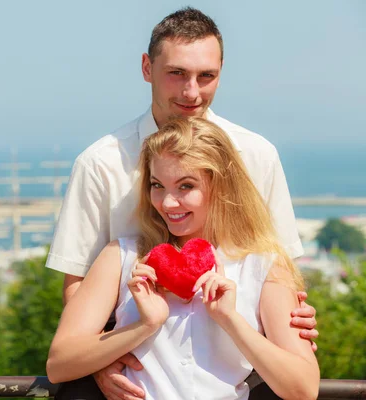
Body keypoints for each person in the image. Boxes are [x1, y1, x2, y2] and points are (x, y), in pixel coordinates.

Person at [46, 7, 319, 400]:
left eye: (206, 76)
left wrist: (286, 321)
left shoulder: (257, 155)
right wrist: (105, 357)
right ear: (147, 67)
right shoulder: (100, 163)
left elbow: (280, 275)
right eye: (176, 73)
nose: (192, 92)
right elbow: (77, 289)